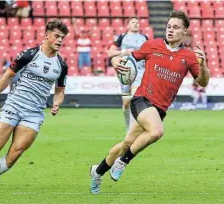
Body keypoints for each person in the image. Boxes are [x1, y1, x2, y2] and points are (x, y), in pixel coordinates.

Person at [90, 10, 210, 194]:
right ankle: (123, 162)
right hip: (142, 99)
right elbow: (127, 58)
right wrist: (116, 62)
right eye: (169, 26)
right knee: (157, 131)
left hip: (159, 109)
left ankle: (97, 172)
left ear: (185, 31)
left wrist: (203, 66)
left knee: (126, 144)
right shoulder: (152, 45)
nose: (170, 30)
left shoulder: (189, 57)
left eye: (176, 27)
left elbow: (203, 82)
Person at [0, 19, 69, 191]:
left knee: (16, 153)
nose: (60, 40)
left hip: (35, 113)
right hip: (14, 105)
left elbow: (60, 90)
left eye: (62, 37)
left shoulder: (61, 65)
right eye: (57, 36)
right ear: (46, 35)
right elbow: (7, 75)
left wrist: (56, 103)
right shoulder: (29, 54)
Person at [108, 17, 148, 132]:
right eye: (133, 22)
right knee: (126, 103)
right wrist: (123, 52)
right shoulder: (122, 37)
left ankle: (133, 130)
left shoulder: (144, 38)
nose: (136, 24)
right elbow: (110, 52)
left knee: (135, 98)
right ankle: (128, 127)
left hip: (140, 72)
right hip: (125, 71)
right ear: (128, 25)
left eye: (137, 22)